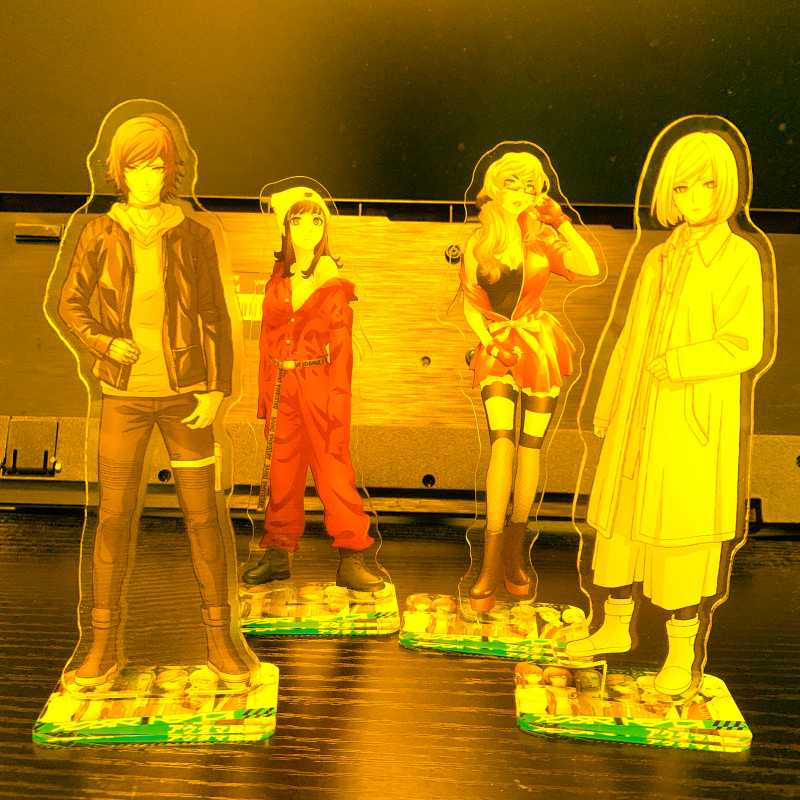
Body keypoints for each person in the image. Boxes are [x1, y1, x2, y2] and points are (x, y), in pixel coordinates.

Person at [566, 130, 767, 697]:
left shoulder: (738, 257)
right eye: (682, 187)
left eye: (706, 185)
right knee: (622, 526)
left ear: (726, 187)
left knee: (681, 538)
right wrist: (610, 403)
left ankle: (681, 652)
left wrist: (678, 363)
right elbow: (630, 338)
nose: (694, 198)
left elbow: (744, 343)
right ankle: (614, 625)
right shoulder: (659, 257)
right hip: (637, 414)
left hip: (690, 419)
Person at [58, 114, 254, 687]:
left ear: (171, 170)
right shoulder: (99, 232)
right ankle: (101, 646)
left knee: (204, 517)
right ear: (119, 172)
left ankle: (220, 641)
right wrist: (104, 342)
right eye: (137, 166)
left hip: (186, 397)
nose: (147, 177)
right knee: (114, 519)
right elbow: (71, 304)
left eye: (157, 165)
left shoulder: (193, 234)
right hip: (123, 396)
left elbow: (215, 314)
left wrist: (216, 388)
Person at [460, 150, 599, 611]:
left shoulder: (542, 240)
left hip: (539, 347)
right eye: (512, 184)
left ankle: (515, 554)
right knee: (502, 444)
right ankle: (489, 560)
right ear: (494, 188)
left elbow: (590, 267)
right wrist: (489, 341)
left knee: (530, 448)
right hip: (499, 347)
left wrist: (563, 223)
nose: (520, 194)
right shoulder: (479, 241)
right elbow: (470, 304)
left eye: (528, 186)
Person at [241, 186, 385, 592]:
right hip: (282, 387)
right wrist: (265, 397)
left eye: (316, 220)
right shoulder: (278, 279)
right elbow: (267, 341)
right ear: (285, 228)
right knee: (282, 471)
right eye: (298, 220)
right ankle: (278, 553)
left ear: (325, 228)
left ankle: (351, 557)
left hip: (319, 385)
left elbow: (342, 352)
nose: (307, 228)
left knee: (333, 469)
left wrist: (338, 407)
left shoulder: (332, 282)